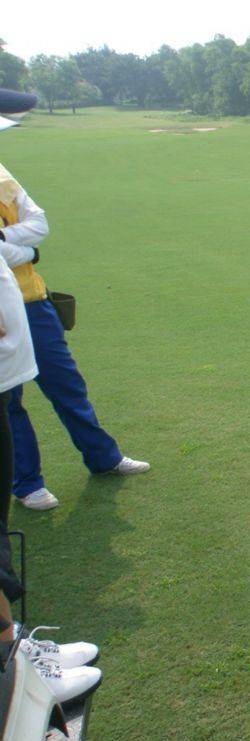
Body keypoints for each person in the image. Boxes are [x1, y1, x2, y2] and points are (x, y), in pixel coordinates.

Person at [0, 88, 100, 705]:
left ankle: (11, 652)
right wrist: (23, 247)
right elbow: (27, 241)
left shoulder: (2, 177)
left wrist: (19, 246)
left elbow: (35, 231)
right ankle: (14, 684)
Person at [0, 162, 149, 512]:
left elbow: (40, 225)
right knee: (8, 401)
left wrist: (6, 239)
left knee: (67, 384)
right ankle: (28, 483)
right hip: (3, 314)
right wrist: (29, 252)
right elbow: (28, 244)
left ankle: (104, 458)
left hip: (34, 302)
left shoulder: (4, 180)